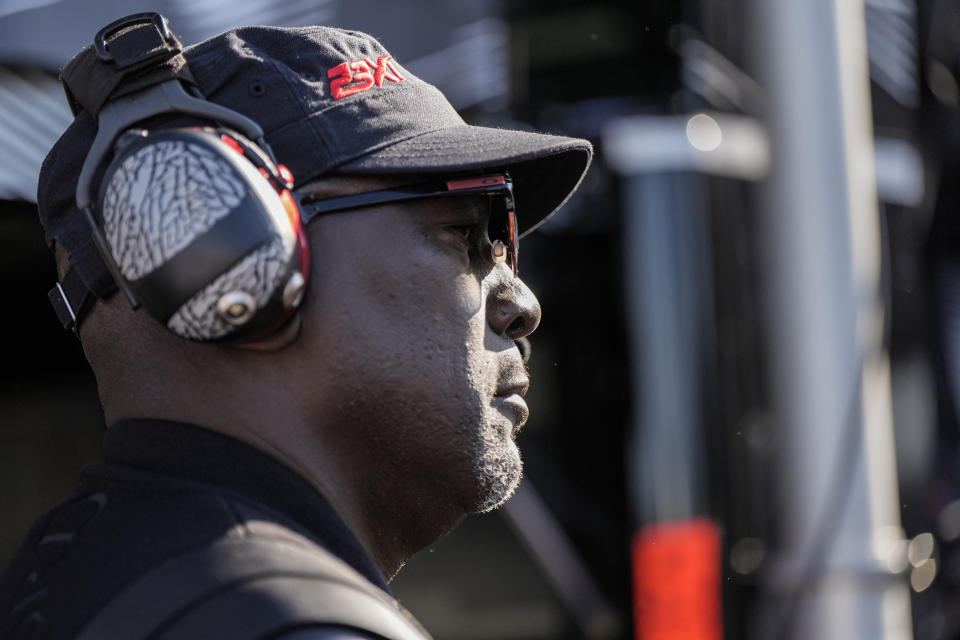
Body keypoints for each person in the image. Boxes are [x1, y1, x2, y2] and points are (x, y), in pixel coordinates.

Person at [0, 12, 591, 640]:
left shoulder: (72, 587)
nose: (522, 304)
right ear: (230, 262)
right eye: (466, 235)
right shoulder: (292, 625)